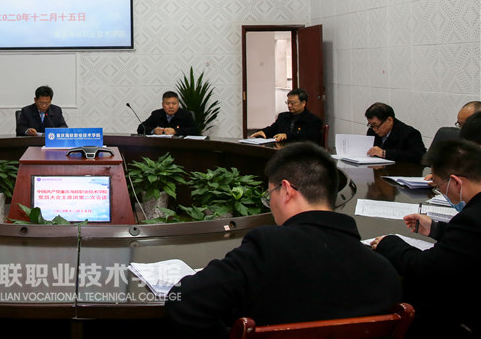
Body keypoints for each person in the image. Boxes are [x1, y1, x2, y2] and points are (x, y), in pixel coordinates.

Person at [165, 142, 400, 337]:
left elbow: (183, 300)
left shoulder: (266, 248)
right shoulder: (383, 271)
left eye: (270, 194)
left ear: (286, 190)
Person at [372, 139, 481, 337]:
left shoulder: (471, 219)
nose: (441, 192)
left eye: (439, 186)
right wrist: (436, 229)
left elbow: (425, 267)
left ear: (456, 182)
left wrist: (389, 244)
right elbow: (471, 243)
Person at [248, 88, 322, 144]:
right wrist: (264, 132)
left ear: (303, 103)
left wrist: (287, 136)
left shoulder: (313, 120)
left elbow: (309, 138)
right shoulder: (283, 117)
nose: (289, 106)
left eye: (292, 103)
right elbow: (273, 129)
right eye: (288, 103)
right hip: (282, 152)